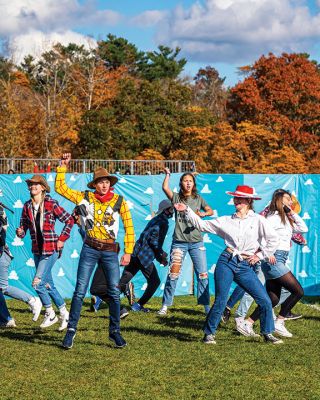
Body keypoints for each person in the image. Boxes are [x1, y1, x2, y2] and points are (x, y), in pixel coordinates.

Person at [175, 184, 282, 345]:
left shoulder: (259, 220)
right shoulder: (226, 220)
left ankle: (267, 333)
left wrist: (259, 255)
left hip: (245, 265)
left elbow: (274, 239)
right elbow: (202, 225)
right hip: (227, 261)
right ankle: (208, 334)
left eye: (240, 198)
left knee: (264, 299)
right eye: (235, 197)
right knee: (221, 300)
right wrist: (187, 210)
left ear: (248, 201)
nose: (236, 200)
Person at [55, 153, 134, 349]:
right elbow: (60, 188)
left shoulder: (119, 201)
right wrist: (62, 167)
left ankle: (115, 332)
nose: (104, 185)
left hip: (109, 250)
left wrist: (128, 251)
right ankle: (71, 331)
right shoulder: (84, 197)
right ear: (95, 185)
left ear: (110, 183)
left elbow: (129, 226)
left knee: (114, 293)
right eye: (100, 182)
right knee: (80, 291)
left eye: (106, 181)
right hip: (90, 248)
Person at [237, 189, 308, 338]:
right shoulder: (272, 218)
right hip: (273, 259)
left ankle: (247, 323)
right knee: (298, 291)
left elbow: (303, 228)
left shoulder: (287, 219)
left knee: (273, 299)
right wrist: (267, 253)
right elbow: (261, 236)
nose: (291, 202)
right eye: (288, 199)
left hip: (280, 259)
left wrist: (291, 212)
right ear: (279, 200)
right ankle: (279, 322)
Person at [16, 175, 73, 330]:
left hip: (50, 249)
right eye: (31, 184)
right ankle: (64, 313)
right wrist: (20, 231)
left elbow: (69, 219)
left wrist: (62, 239)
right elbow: (23, 228)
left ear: (42, 187)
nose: (32, 186)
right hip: (37, 250)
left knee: (38, 283)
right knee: (48, 285)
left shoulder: (51, 203)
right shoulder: (27, 206)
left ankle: (50, 313)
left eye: (36, 184)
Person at [158, 168, 213, 316]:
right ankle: (165, 305)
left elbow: (211, 210)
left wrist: (203, 213)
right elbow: (165, 188)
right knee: (173, 274)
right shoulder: (176, 198)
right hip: (179, 243)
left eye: (190, 181)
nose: (188, 183)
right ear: (181, 183)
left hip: (197, 242)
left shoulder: (198, 198)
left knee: (202, 275)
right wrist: (168, 175)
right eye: (185, 180)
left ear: (193, 183)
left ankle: (206, 306)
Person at [118, 199, 174, 312]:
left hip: (136, 252)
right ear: (165, 210)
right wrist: (161, 257)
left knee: (124, 279)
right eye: (171, 209)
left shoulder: (155, 219)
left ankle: (100, 297)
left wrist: (159, 256)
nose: (173, 211)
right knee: (155, 281)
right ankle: (138, 305)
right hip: (144, 256)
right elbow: (154, 242)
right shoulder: (163, 222)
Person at [0, 202, 42, 323]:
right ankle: (5, 319)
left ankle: (32, 300)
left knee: (3, 287)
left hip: (1, 254)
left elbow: (1, 235)